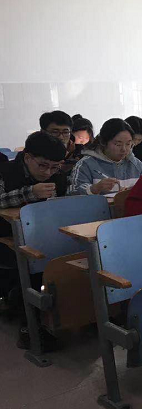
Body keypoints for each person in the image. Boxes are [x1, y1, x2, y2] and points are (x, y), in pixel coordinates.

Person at [0, 133, 67, 312]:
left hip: (44, 234)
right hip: (7, 236)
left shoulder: (59, 176)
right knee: (32, 260)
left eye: (54, 167)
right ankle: (26, 310)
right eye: (43, 165)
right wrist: (29, 193)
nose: (48, 172)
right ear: (28, 157)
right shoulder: (5, 172)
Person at [68, 118, 142, 195]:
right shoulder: (86, 164)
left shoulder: (136, 165)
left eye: (128, 144)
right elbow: (72, 194)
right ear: (103, 142)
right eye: (118, 144)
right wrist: (94, 188)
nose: (124, 149)